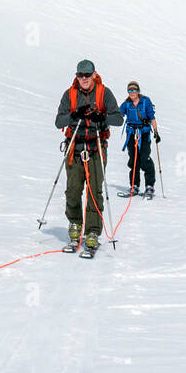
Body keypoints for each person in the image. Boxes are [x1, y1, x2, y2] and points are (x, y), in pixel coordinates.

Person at [54, 60, 118, 252]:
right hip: (75, 146)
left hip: (96, 147)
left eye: (87, 75)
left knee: (94, 191)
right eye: (80, 75)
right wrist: (74, 115)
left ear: (94, 75)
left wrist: (102, 118)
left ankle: (92, 231)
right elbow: (58, 122)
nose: (83, 79)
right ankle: (74, 225)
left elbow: (118, 118)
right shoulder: (70, 94)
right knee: (73, 190)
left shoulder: (104, 93)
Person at [118, 81, 160, 197]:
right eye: (129, 90)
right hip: (131, 133)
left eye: (134, 90)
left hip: (144, 133)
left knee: (144, 158)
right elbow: (118, 115)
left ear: (138, 91)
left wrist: (156, 132)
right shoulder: (126, 104)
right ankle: (134, 185)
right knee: (133, 159)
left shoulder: (145, 101)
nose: (132, 92)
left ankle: (149, 185)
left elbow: (152, 117)